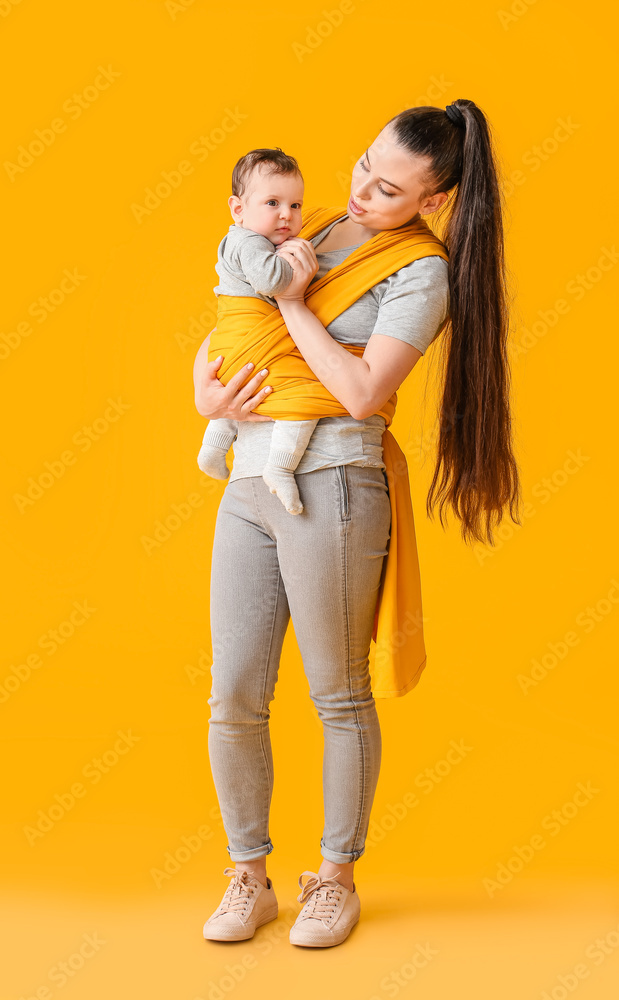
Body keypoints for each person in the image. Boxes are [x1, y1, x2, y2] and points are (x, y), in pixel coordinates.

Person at [192, 99, 521, 948]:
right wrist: (204, 396)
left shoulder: (420, 271)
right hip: (250, 478)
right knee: (232, 695)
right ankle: (247, 874)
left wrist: (297, 304)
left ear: (434, 200)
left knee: (336, 694)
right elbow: (235, 323)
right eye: (361, 169)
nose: (360, 192)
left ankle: (334, 877)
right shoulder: (316, 223)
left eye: (388, 188)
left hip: (336, 477)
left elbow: (366, 392)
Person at [197, 147, 323, 516]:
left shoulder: (253, 240)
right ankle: (281, 466)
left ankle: (213, 448)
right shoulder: (248, 241)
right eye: (272, 202)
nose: (287, 214)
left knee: (238, 387)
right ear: (238, 210)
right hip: (246, 334)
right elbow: (272, 281)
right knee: (308, 394)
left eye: (296, 205)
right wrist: (295, 267)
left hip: (233, 341)